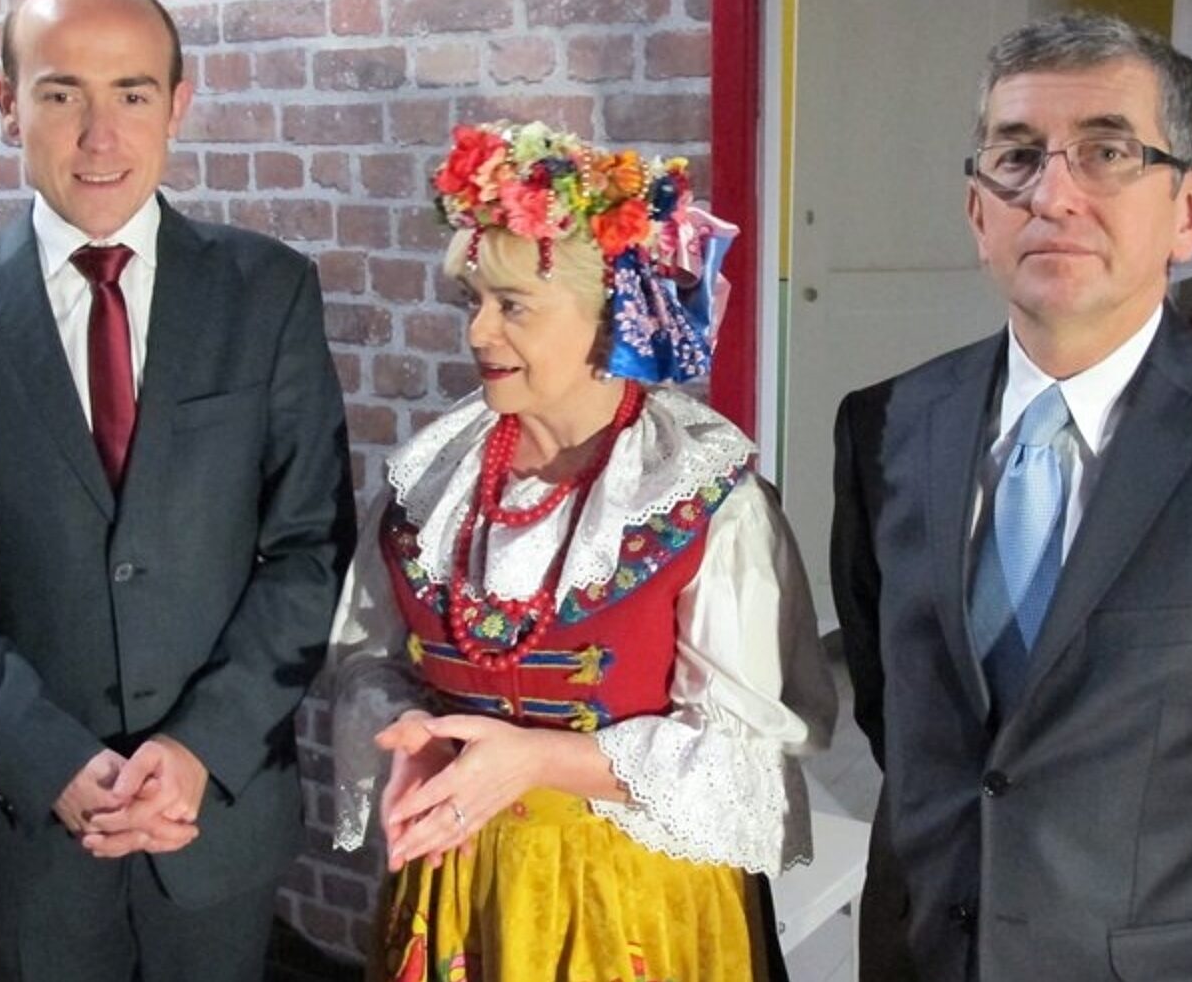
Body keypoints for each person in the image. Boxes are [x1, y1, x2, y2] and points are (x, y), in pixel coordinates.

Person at [831, 11, 1192, 980]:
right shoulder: (885, 424)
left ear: (1190, 210)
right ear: (977, 211)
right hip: (923, 947)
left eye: (1106, 153)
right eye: (1016, 156)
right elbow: (897, 706)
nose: (1051, 194)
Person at [0, 0, 355, 982]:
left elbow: (309, 548)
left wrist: (202, 745)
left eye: (130, 92)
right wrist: (50, 759)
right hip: (29, 831)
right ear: (7, 104)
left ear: (177, 104)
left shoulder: (266, 291)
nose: (99, 135)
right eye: (61, 93)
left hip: (212, 815)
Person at [329, 120, 836, 981]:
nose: (478, 333)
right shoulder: (434, 484)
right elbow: (368, 658)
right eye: (472, 302)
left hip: (629, 898)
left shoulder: (697, 500)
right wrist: (408, 733)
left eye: (513, 306)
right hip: (460, 887)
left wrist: (540, 761)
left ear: (608, 318)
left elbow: (742, 761)